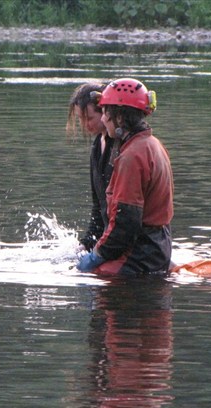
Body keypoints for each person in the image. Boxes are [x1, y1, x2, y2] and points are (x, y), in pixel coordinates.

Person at [76, 78, 174, 276]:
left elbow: (126, 224)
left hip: (139, 254)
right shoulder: (152, 144)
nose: (103, 120)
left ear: (119, 118)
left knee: (84, 275)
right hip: (156, 247)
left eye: (105, 114)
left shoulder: (131, 157)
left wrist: (96, 255)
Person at [66, 82, 115, 253]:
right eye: (80, 119)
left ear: (105, 113)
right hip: (110, 238)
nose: (85, 125)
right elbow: (99, 207)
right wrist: (86, 243)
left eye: (89, 118)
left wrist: (101, 251)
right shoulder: (96, 147)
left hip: (120, 241)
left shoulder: (121, 147)